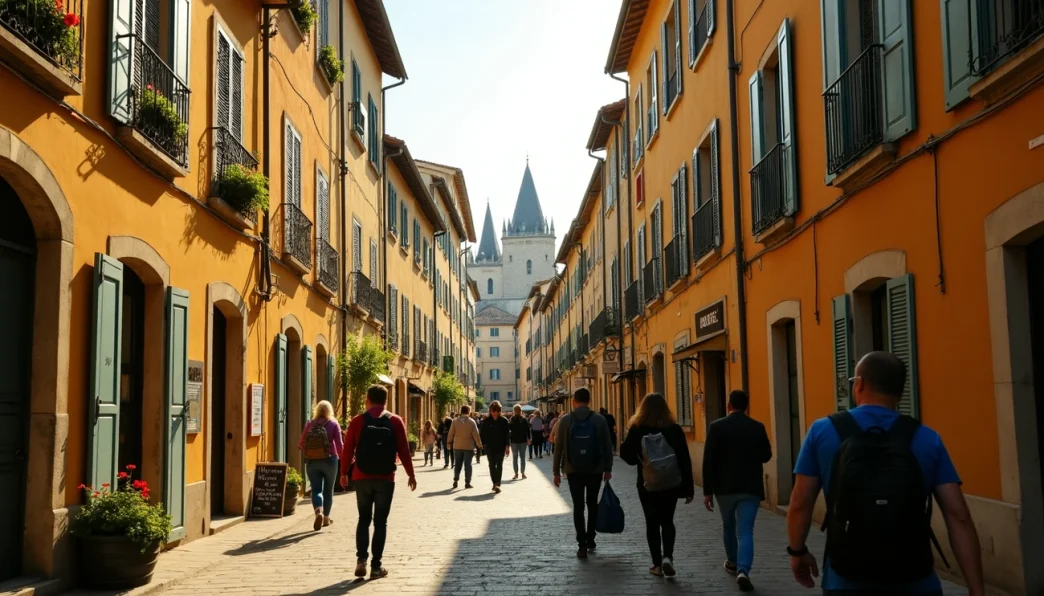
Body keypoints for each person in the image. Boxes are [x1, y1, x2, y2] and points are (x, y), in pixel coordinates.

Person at [787, 352, 985, 596]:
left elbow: (800, 502)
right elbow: (958, 515)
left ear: (858, 384)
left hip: (845, 577)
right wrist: (976, 589)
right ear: (900, 393)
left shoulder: (823, 431)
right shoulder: (926, 438)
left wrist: (797, 552)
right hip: (915, 578)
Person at [339, 385, 417, 580]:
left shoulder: (357, 421)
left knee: (363, 519)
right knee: (380, 522)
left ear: (367, 399)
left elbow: (347, 449)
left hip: (361, 477)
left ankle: (361, 560)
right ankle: (376, 567)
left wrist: (343, 473)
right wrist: (411, 474)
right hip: (385, 478)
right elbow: (404, 450)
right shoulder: (395, 421)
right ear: (386, 400)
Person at [701, 389, 772, 591]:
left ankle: (732, 562)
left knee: (728, 525)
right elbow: (766, 455)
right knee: (746, 530)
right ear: (746, 406)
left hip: (724, 488)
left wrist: (707, 491)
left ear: (729, 405)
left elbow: (708, 461)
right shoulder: (757, 427)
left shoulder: (716, 427)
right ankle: (743, 570)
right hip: (750, 487)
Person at [620, 393, 694, 577]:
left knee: (652, 523)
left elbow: (626, 455)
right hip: (671, 483)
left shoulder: (638, 429)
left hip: (647, 483)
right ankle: (668, 556)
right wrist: (689, 488)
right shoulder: (674, 429)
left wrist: (639, 458)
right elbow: (685, 459)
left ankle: (657, 565)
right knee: (667, 520)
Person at [552, 388, 614, 559]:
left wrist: (556, 471)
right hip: (595, 470)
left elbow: (558, 448)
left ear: (573, 401)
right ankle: (591, 537)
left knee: (578, 508)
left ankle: (582, 545)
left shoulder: (565, 420)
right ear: (589, 400)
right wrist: (608, 469)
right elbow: (607, 446)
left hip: (573, 470)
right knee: (592, 505)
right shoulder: (599, 420)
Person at [298, 400, 343, 531]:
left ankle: (319, 512)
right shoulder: (334, 424)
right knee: (328, 491)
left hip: (312, 462)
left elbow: (301, 443)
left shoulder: (310, 424)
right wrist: (346, 460)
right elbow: (340, 446)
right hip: (330, 460)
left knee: (316, 490)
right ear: (330, 411)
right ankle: (326, 519)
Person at [447, 404, 483, 489]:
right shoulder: (471, 422)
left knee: (458, 464)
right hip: (468, 446)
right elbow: (476, 435)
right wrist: (479, 444)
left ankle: (455, 480)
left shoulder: (455, 421)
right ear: (468, 412)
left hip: (457, 445)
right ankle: (467, 482)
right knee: (468, 465)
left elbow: (451, 433)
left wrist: (449, 442)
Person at [479, 401, 511, 493]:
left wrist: (507, 446)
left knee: (499, 465)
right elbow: (482, 434)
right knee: (492, 465)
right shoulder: (486, 421)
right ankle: (494, 483)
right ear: (490, 411)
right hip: (490, 447)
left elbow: (507, 435)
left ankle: (498, 483)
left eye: (497, 411)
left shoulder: (504, 421)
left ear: (500, 411)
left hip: (501, 447)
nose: (495, 413)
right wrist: (483, 444)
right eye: (493, 411)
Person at [509, 405, 532, 479]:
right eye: (516, 410)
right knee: (515, 458)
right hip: (514, 441)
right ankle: (516, 473)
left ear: (520, 410)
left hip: (522, 441)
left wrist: (529, 438)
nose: (517, 411)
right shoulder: (512, 419)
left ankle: (522, 472)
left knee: (522, 458)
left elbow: (527, 429)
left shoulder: (524, 419)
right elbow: (509, 429)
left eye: (518, 410)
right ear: (514, 411)